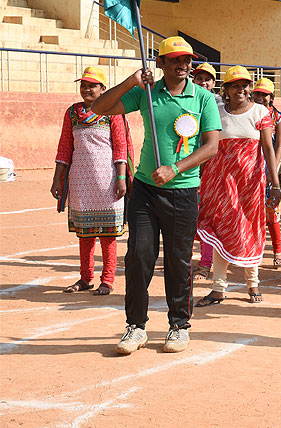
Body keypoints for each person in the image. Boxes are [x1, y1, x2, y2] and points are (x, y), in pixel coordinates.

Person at [92, 36, 221, 354]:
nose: (183, 65)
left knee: (178, 261)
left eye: (187, 60)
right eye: (175, 59)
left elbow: (211, 146)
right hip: (146, 192)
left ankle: (179, 326)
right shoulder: (147, 93)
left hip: (183, 192)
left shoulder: (203, 98)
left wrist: (175, 169)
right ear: (160, 63)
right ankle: (135, 327)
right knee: (138, 258)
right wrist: (129, 82)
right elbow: (98, 108)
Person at [195, 66, 281, 306]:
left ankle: (253, 284)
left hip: (250, 184)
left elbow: (268, 150)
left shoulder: (260, 112)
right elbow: (206, 147)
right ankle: (218, 288)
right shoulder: (216, 112)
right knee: (219, 232)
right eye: (235, 85)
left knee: (250, 231)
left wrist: (275, 184)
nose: (240, 90)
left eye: (244, 85)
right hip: (219, 183)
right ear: (226, 89)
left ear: (251, 88)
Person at [52, 67, 131, 296]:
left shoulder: (113, 111)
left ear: (104, 89)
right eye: (84, 85)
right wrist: (57, 178)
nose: (87, 89)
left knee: (108, 234)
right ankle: (85, 278)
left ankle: (107, 280)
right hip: (80, 181)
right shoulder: (72, 113)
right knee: (84, 233)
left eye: (92, 85)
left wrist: (121, 177)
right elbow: (65, 147)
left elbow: (121, 145)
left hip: (108, 181)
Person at [251, 77, 281, 265]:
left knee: (271, 212)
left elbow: (279, 148)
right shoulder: (248, 113)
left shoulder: (280, 118)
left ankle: (277, 251)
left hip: (268, 170)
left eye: (264, 94)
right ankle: (251, 250)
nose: (260, 97)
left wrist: (272, 173)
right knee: (249, 212)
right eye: (257, 93)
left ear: (271, 96)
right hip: (249, 170)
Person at [191, 62, 220, 280]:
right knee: (192, 218)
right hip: (189, 168)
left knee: (209, 220)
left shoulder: (219, 106)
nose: (203, 82)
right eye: (199, 78)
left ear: (214, 82)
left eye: (207, 79)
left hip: (214, 170)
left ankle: (206, 263)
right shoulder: (187, 102)